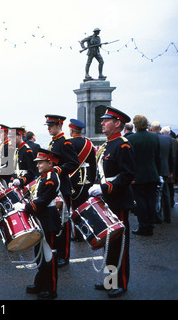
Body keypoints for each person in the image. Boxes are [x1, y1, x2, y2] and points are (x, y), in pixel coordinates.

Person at [89, 106, 135, 298]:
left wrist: (105, 188)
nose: (102, 123)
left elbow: (127, 175)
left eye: (106, 120)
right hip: (106, 200)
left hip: (118, 200)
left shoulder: (123, 145)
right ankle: (110, 281)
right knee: (109, 242)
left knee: (120, 243)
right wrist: (97, 188)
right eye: (102, 120)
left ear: (117, 124)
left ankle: (121, 283)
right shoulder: (107, 145)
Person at [23, 148, 62, 300]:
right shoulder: (44, 176)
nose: (38, 165)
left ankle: (50, 288)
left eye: (40, 162)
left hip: (48, 219)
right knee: (39, 254)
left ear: (49, 162)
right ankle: (40, 283)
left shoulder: (51, 178)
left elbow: (44, 199)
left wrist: (26, 207)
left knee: (48, 255)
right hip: (41, 217)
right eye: (37, 163)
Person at [45, 114, 79, 268]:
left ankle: (64, 255)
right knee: (55, 220)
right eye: (48, 125)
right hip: (54, 185)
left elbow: (73, 163)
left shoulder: (64, 143)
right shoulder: (54, 142)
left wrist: (58, 170)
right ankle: (57, 251)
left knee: (63, 222)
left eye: (51, 125)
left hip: (63, 186)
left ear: (59, 125)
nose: (48, 128)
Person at [126, 116, 160, 236]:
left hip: (138, 176)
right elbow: (157, 157)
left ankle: (143, 226)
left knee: (141, 202)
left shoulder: (131, 139)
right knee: (151, 200)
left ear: (135, 125)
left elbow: (130, 160)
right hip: (152, 174)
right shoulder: (155, 137)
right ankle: (150, 225)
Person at [68, 119, 97, 210]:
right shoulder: (89, 143)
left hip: (72, 180)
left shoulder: (69, 143)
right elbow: (93, 165)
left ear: (71, 130)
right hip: (88, 179)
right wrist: (92, 180)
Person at [151, 121, 174, 223]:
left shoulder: (150, 139)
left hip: (153, 170)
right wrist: (171, 170)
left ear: (151, 129)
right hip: (165, 169)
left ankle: (156, 216)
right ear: (160, 129)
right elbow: (172, 157)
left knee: (153, 194)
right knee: (165, 194)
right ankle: (167, 217)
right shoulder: (168, 139)